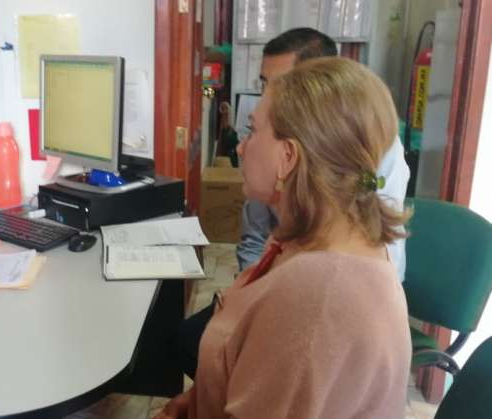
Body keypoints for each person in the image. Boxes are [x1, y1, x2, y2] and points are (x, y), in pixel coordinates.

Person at [157, 56, 411, 419]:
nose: (241, 148)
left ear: (287, 157)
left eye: (253, 131)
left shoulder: (317, 294)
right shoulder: (313, 241)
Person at [235, 28, 409, 277]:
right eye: (265, 84)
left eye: (283, 85)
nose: (268, 97)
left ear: (319, 86)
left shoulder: (370, 144)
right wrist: (248, 288)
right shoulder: (268, 130)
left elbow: (375, 252)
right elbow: (254, 236)